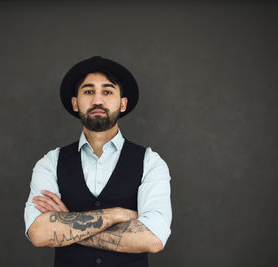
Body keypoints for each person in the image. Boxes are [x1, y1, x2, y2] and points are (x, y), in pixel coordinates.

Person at [24, 56, 172, 267]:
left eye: (107, 91)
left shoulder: (150, 162)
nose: (97, 101)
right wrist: (118, 214)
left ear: (123, 104)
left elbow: (153, 238)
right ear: (75, 103)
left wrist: (68, 223)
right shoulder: (50, 162)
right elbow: (39, 233)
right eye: (89, 91)